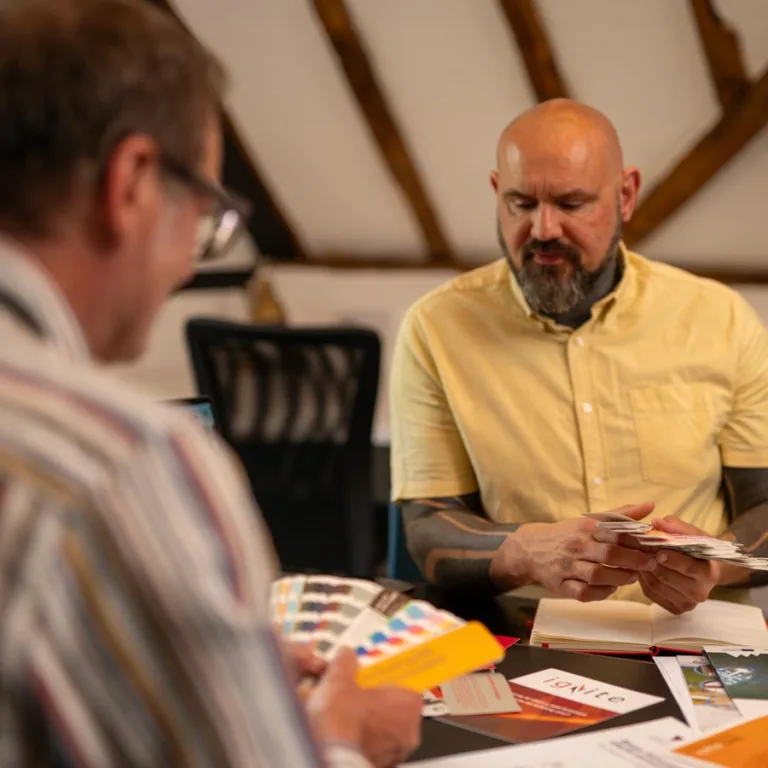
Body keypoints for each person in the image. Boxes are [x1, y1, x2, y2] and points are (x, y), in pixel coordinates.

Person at [0, 1, 421, 766]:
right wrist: (339, 739)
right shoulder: (124, 465)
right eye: (203, 210)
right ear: (129, 181)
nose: (193, 263)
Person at [390, 98, 768, 616]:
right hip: (525, 633)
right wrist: (524, 550)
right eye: (522, 204)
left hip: (693, 636)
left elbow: (765, 505)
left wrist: (714, 566)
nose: (544, 229)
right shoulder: (436, 328)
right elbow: (428, 526)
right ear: (497, 193)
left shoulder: (720, 318)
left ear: (626, 195)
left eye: (571, 204)